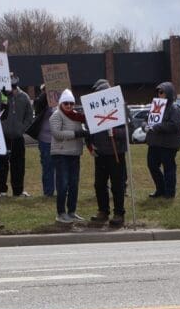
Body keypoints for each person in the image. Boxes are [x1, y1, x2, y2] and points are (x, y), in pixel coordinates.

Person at [88, 79, 128, 229]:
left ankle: (119, 213)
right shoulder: (94, 109)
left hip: (116, 152)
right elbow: (90, 129)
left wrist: (116, 132)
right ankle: (103, 211)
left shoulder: (120, 107)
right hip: (100, 153)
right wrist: (90, 144)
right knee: (99, 184)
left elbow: (127, 130)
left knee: (117, 184)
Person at [49, 89, 86, 226]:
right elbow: (57, 133)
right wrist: (76, 134)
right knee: (63, 184)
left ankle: (71, 211)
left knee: (74, 184)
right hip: (61, 154)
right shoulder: (56, 115)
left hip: (75, 154)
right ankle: (61, 213)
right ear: (61, 104)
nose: (69, 106)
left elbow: (82, 130)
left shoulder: (77, 116)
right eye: (66, 103)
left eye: (71, 103)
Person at [145, 82, 180, 199]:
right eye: (158, 92)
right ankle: (160, 188)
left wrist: (156, 127)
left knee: (169, 168)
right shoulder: (156, 107)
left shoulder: (175, 108)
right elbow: (146, 120)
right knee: (152, 165)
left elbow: (175, 125)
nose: (159, 94)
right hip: (154, 143)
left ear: (168, 93)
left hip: (168, 144)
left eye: (162, 92)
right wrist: (144, 126)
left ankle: (169, 192)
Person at [0, 74, 33, 197]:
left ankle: (18, 190)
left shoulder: (24, 97)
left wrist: (21, 129)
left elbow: (29, 116)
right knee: (1, 165)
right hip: (2, 136)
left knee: (18, 165)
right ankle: (1, 190)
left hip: (18, 137)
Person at [26, 86, 56, 197]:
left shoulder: (61, 101)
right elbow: (37, 106)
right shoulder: (41, 101)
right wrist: (46, 95)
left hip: (58, 138)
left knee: (59, 166)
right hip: (45, 138)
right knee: (47, 165)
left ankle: (60, 189)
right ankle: (48, 191)